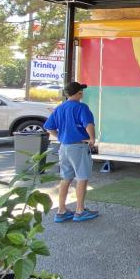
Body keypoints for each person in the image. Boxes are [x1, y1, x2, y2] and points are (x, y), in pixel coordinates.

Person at [44, 81, 99, 222]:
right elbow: (88, 124)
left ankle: (61, 211)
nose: (83, 92)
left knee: (65, 178)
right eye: (81, 90)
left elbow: (49, 127)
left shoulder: (60, 108)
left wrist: (61, 137)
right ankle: (80, 210)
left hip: (64, 147)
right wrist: (92, 139)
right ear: (78, 93)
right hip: (79, 147)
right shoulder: (81, 107)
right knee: (82, 178)